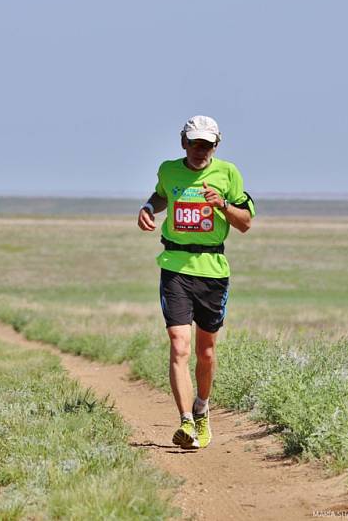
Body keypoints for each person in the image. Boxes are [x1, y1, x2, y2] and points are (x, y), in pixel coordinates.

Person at [137, 115, 255, 450]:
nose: (200, 150)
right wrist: (148, 206)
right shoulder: (168, 169)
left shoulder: (228, 173)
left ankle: (202, 408)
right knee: (179, 345)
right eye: (195, 143)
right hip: (174, 266)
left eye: (207, 144)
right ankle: (186, 422)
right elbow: (162, 195)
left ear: (216, 145)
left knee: (205, 351)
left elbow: (245, 223)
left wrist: (223, 205)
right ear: (183, 142)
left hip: (213, 270)